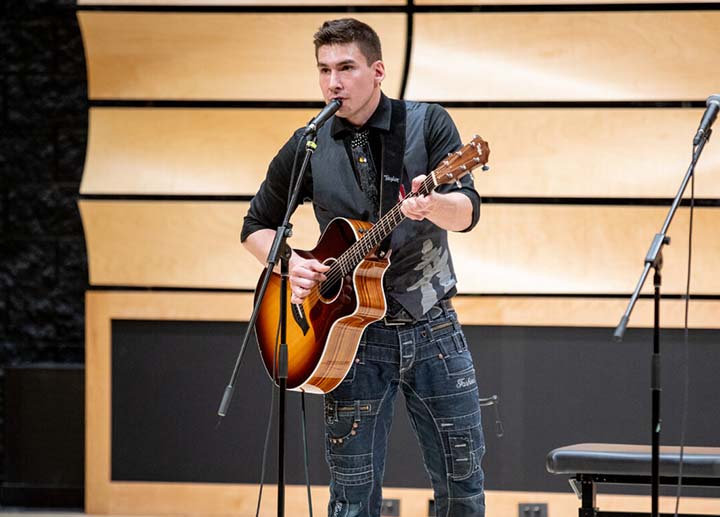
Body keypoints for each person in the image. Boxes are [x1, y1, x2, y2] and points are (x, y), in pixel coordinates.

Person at [241, 18, 486, 517]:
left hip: (432, 327)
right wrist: (293, 266)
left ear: (377, 71)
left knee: (463, 485)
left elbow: (467, 212)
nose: (334, 82)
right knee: (352, 498)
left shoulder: (427, 123)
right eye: (324, 70)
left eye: (346, 67)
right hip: (348, 338)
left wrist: (433, 203)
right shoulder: (308, 142)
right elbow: (255, 227)